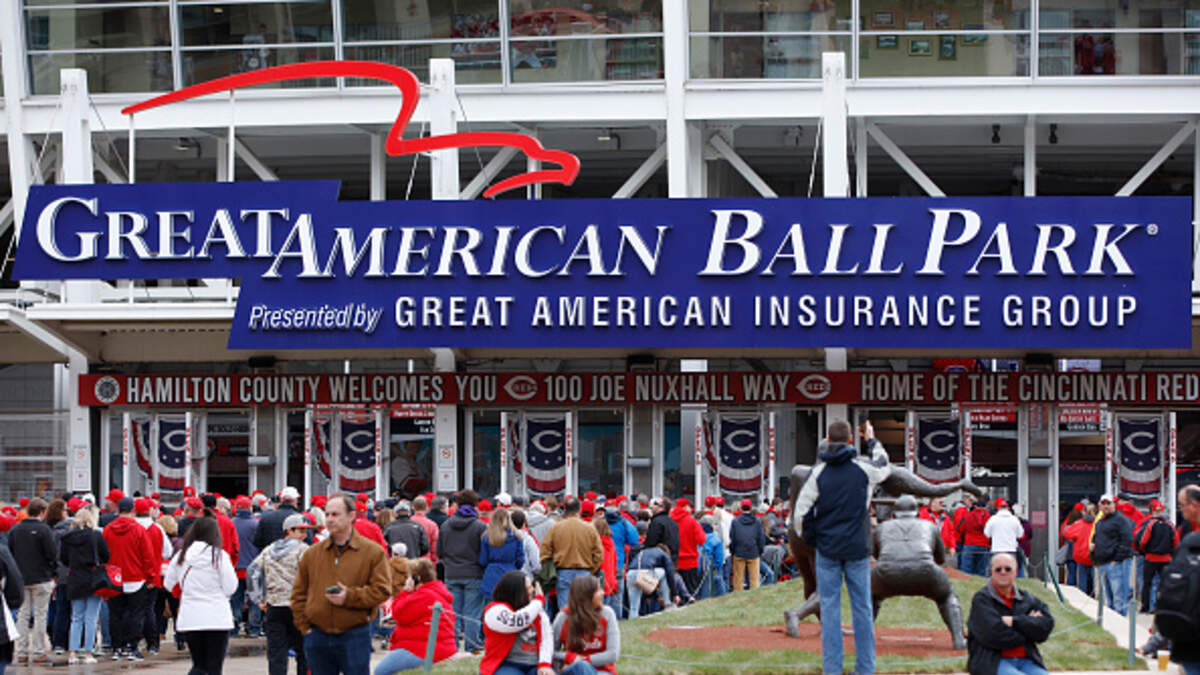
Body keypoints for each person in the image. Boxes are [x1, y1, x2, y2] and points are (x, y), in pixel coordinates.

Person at [793, 419, 892, 675]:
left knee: (830, 609)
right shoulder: (863, 469)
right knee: (862, 609)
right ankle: (865, 669)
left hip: (828, 549)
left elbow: (799, 515)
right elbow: (884, 465)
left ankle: (832, 669)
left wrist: (813, 539)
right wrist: (871, 439)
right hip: (857, 549)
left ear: (827, 439)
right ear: (851, 439)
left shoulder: (818, 472)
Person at [291, 494, 391, 675]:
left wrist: (350, 597)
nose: (329, 519)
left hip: (355, 634)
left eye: (335, 514)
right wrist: (305, 627)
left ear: (351, 516)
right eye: (327, 514)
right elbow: (298, 593)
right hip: (317, 635)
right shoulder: (312, 554)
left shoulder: (372, 552)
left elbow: (382, 590)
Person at [164, 514, 239, 675]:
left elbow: (168, 583)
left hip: (191, 615)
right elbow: (230, 586)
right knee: (214, 667)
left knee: (198, 664)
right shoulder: (219, 556)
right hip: (217, 615)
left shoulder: (181, 556)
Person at [966, 553, 1054, 675]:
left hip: (1027, 661)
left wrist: (1014, 621)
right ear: (991, 571)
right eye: (998, 569)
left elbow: (1046, 625)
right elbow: (993, 635)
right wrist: (1028, 631)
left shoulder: (1026, 599)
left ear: (1016, 571)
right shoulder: (982, 599)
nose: (1003, 572)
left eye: (1008, 569)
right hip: (992, 662)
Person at [249, 513, 311, 675]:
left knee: (277, 654)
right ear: (288, 530)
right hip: (299, 608)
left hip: (274, 606)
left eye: (305, 531)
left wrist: (259, 599)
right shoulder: (304, 550)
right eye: (301, 531)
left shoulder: (269, 550)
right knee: (304, 653)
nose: (304, 535)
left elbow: (252, 571)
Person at [375, 558, 455, 675]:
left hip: (424, 649)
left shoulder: (423, 595)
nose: (406, 580)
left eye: (409, 577)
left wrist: (406, 591)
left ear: (417, 578)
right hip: (436, 646)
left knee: (381, 671)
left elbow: (399, 614)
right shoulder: (436, 591)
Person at [103, 496, 157, 661]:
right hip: (135, 577)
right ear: (133, 511)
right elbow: (147, 556)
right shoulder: (139, 529)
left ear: (117, 510)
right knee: (136, 614)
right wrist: (150, 577)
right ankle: (131, 647)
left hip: (115, 578)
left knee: (115, 614)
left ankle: (117, 647)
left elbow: (103, 555)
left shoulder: (108, 529)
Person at [438, 489, 487, 652]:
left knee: (453, 613)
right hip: (474, 572)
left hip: (451, 572)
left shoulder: (446, 525)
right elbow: (484, 551)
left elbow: (440, 551)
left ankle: (452, 646)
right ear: (475, 505)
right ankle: (472, 646)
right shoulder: (480, 526)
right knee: (472, 613)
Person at [9, 497, 56, 665]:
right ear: (43, 512)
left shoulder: (15, 530)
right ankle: (38, 651)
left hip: (21, 578)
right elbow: (52, 554)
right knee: (40, 616)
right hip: (41, 577)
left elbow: (11, 554)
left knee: (22, 615)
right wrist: (53, 572)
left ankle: (21, 651)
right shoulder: (44, 530)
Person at [539, 497, 603, 619]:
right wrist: (592, 569)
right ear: (579, 509)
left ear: (564, 510)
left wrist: (549, 568)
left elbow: (544, 550)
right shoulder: (589, 528)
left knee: (565, 612)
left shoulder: (556, 528)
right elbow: (599, 553)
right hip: (584, 571)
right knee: (584, 610)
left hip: (563, 571)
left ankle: (567, 636)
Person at [480, 571, 552, 675]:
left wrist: (544, 664)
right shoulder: (494, 610)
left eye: (531, 586)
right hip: (507, 664)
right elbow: (515, 622)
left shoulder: (537, 610)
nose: (532, 591)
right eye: (528, 588)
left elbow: (547, 638)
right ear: (516, 592)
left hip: (535, 664)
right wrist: (539, 601)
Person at [59, 507, 107, 664]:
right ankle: (88, 653)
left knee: (76, 617)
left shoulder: (67, 537)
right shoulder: (96, 535)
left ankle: (72, 653)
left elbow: (64, 558)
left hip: (75, 577)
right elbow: (106, 555)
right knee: (91, 618)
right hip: (93, 577)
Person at [552, 574, 619, 675]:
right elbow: (549, 651)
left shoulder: (607, 614)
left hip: (602, 671)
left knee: (584, 667)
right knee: (581, 667)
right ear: (586, 595)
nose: (603, 593)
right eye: (598, 590)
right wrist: (569, 657)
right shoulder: (563, 617)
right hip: (573, 669)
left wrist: (584, 659)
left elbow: (613, 654)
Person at [1089, 493, 1134, 616]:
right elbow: (1095, 539)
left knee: (1118, 598)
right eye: (1103, 504)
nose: (1105, 506)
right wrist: (1093, 553)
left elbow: (1127, 540)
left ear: (1114, 505)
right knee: (1109, 599)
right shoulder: (1099, 523)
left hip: (1115, 564)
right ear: (1099, 506)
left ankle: (1120, 626)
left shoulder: (1121, 520)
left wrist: (1117, 559)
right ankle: (1113, 625)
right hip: (1102, 563)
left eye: (1108, 503)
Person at [1132, 498, 1177, 612]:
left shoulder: (1150, 524)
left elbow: (1142, 540)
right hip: (1165, 558)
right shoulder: (1170, 525)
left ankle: (1146, 606)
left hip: (1150, 557)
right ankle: (1163, 606)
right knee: (1164, 584)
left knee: (1147, 583)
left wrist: (1144, 551)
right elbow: (1176, 541)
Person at [481, 508, 526, 604]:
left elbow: (483, 560)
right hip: (510, 572)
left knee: (491, 607)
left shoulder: (487, 536)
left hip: (492, 573)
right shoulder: (516, 536)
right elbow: (521, 559)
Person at [232, 495, 262, 637]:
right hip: (253, 566)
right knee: (254, 600)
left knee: (235, 600)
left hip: (236, 567)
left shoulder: (232, 523)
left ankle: (234, 628)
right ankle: (254, 628)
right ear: (250, 507)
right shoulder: (256, 524)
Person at [624, 543, 677, 619]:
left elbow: (651, 583)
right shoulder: (664, 555)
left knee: (634, 608)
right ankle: (667, 604)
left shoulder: (644, 552)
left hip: (630, 574)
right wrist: (675, 594)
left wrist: (657, 597)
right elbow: (670, 574)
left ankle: (632, 620)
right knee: (664, 572)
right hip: (644, 573)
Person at [669, 499, 705, 599]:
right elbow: (701, 540)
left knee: (675, 593)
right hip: (690, 561)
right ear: (686, 507)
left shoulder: (670, 521)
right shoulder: (691, 521)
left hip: (674, 562)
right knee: (691, 592)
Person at [729, 497, 765, 591]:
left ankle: (737, 598)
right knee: (754, 580)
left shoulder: (735, 521)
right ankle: (754, 598)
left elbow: (732, 538)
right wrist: (760, 551)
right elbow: (761, 537)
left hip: (739, 552)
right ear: (751, 507)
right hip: (753, 552)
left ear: (741, 508)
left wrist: (733, 551)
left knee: (738, 580)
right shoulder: (757, 521)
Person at [984, 499, 1024, 576]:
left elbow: (987, 534)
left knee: (995, 572)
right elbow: (1020, 534)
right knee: (1010, 573)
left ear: (998, 508)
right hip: (1011, 549)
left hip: (997, 549)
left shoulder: (993, 519)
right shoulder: (1014, 519)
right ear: (1008, 508)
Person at [1062, 506, 1095, 596]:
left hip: (1080, 556)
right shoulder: (1098, 524)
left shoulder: (1079, 524)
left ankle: (1082, 597)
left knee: (1082, 582)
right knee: (1095, 581)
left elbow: (1066, 534)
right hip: (1094, 557)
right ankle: (1094, 598)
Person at [959, 495, 992, 577]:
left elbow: (960, 529)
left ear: (975, 506)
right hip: (984, 545)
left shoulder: (968, 515)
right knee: (982, 571)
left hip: (969, 544)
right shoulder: (988, 516)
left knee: (966, 570)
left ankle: (966, 587)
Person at [920, 497, 957, 565]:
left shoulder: (945, 517)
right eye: (940, 502)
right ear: (933, 503)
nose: (942, 503)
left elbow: (951, 532)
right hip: (926, 550)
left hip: (941, 550)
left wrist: (952, 546)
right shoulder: (922, 515)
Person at [641, 498, 678, 562]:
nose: (651, 506)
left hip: (658, 559)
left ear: (662, 507)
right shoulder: (673, 522)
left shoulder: (657, 522)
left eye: (655, 504)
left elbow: (651, 542)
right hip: (671, 559)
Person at [409, 497, 439, 562]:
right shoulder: (432, 525)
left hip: (410, 561)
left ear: (413, 508)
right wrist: (434, 561)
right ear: (427, 508)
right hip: (426, 561)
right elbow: (435, 546)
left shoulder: (408, 523)